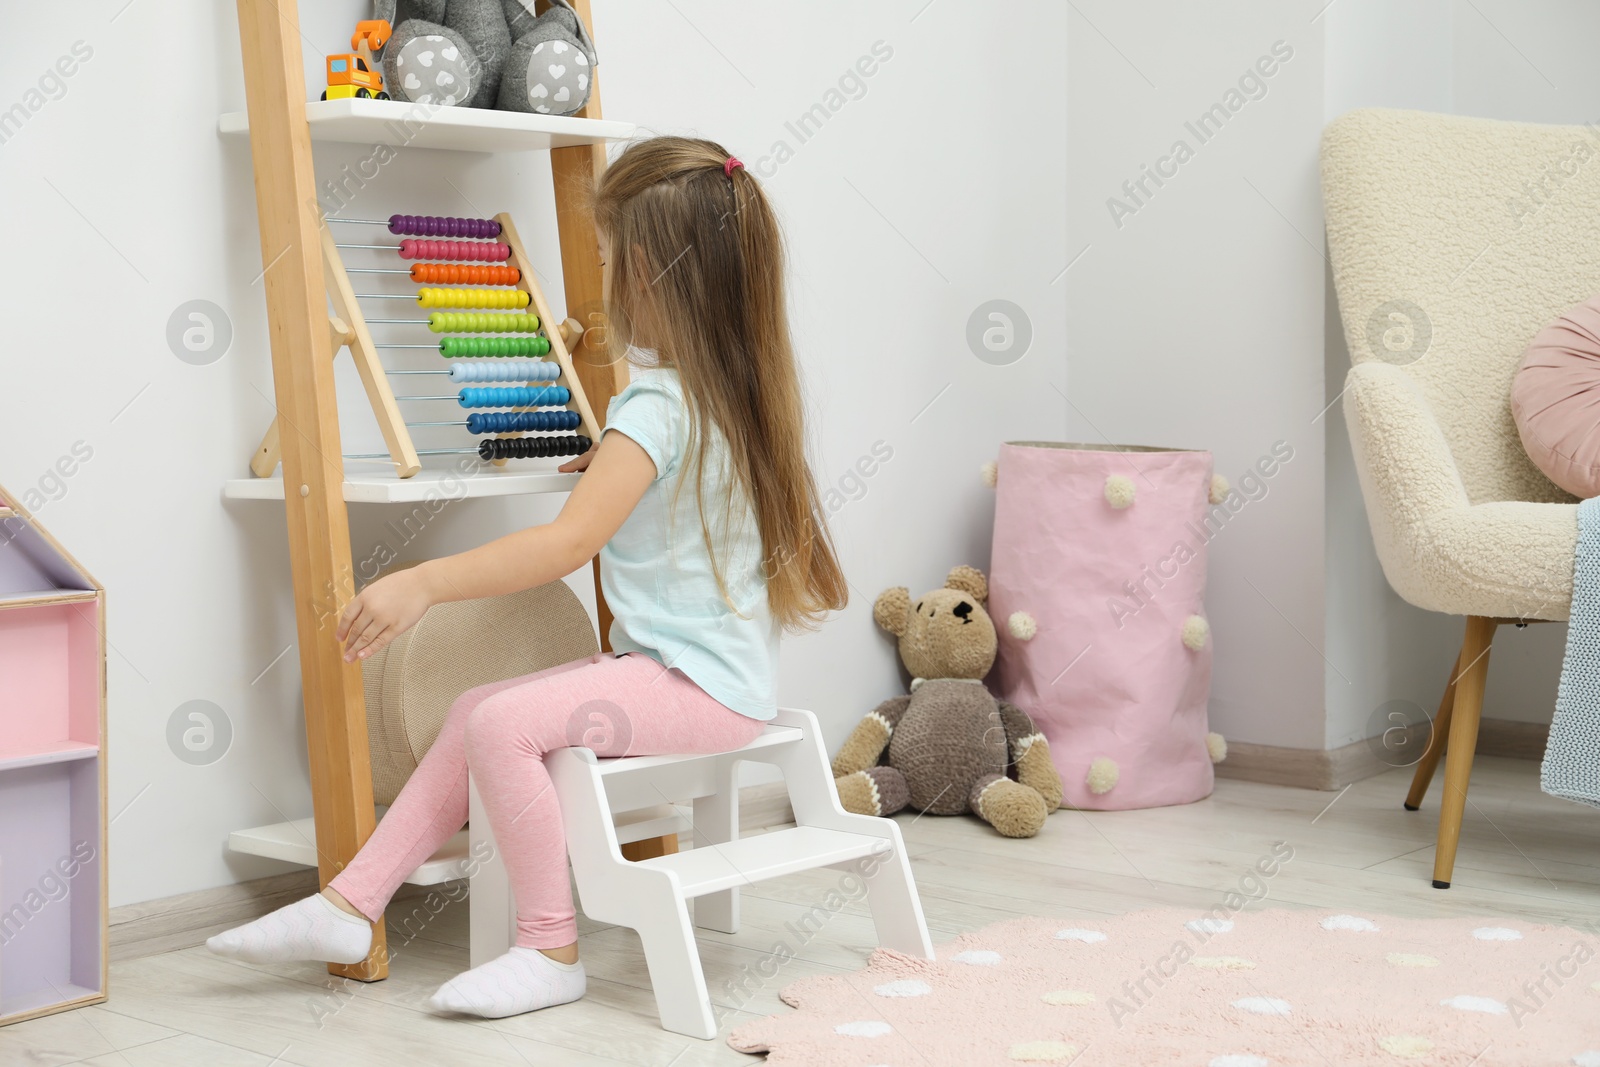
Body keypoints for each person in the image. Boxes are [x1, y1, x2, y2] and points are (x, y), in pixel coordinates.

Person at [207, 136, 848, 1020]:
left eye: (614, 259)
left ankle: (549, 945)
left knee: (503, 722)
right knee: (475, 711)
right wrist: (614, 462)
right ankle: (351, 903)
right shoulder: (732, 396)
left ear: (654, 279)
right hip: (707, 679)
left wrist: (423, 580)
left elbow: (562, 547)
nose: (604, 279)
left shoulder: (656, 407)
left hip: (695, 690)